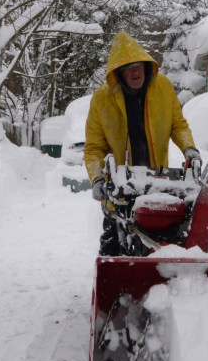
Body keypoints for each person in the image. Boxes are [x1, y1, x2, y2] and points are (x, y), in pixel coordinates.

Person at [84, 31, 200, 255]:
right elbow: (94, 148)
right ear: (118, 73)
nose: (135, 71)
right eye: (128, 67)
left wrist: (190, 149)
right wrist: (97, 178)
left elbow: (178, 125)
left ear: (147, 66)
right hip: (120, 190)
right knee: (113, 248)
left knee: (163, 242)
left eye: (139, 65)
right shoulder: (102, 99)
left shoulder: (163, 88)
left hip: (155, 183)